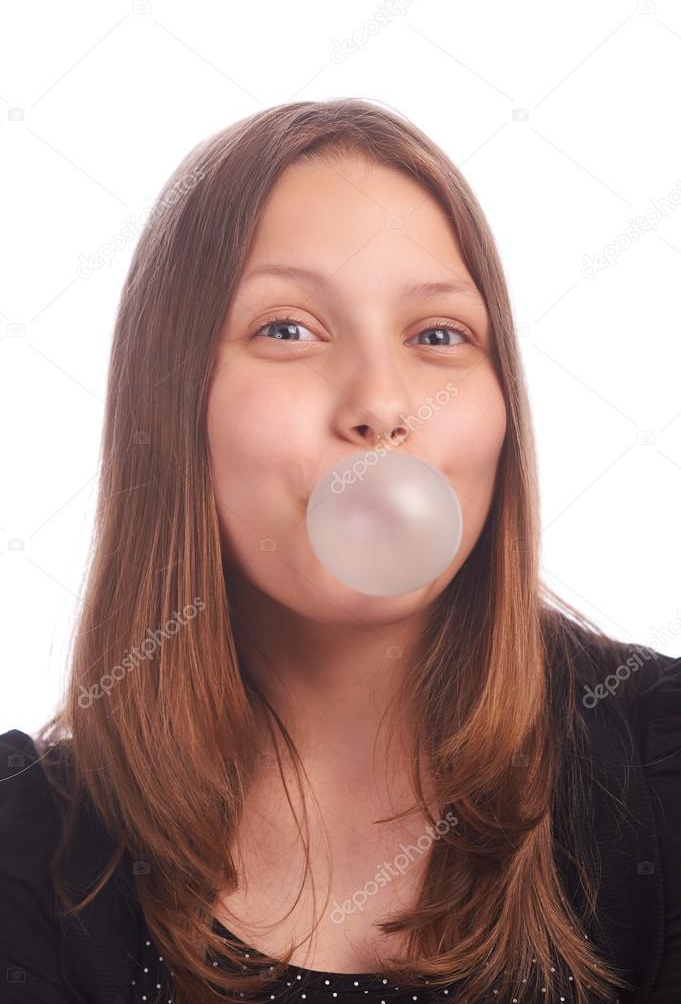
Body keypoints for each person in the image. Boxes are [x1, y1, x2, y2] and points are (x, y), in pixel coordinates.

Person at [1, 97, 679, 1004]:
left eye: (438, 335)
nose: (380, 403)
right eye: (287, 329)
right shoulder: (26, 847)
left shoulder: (658, 771)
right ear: (171, 405)